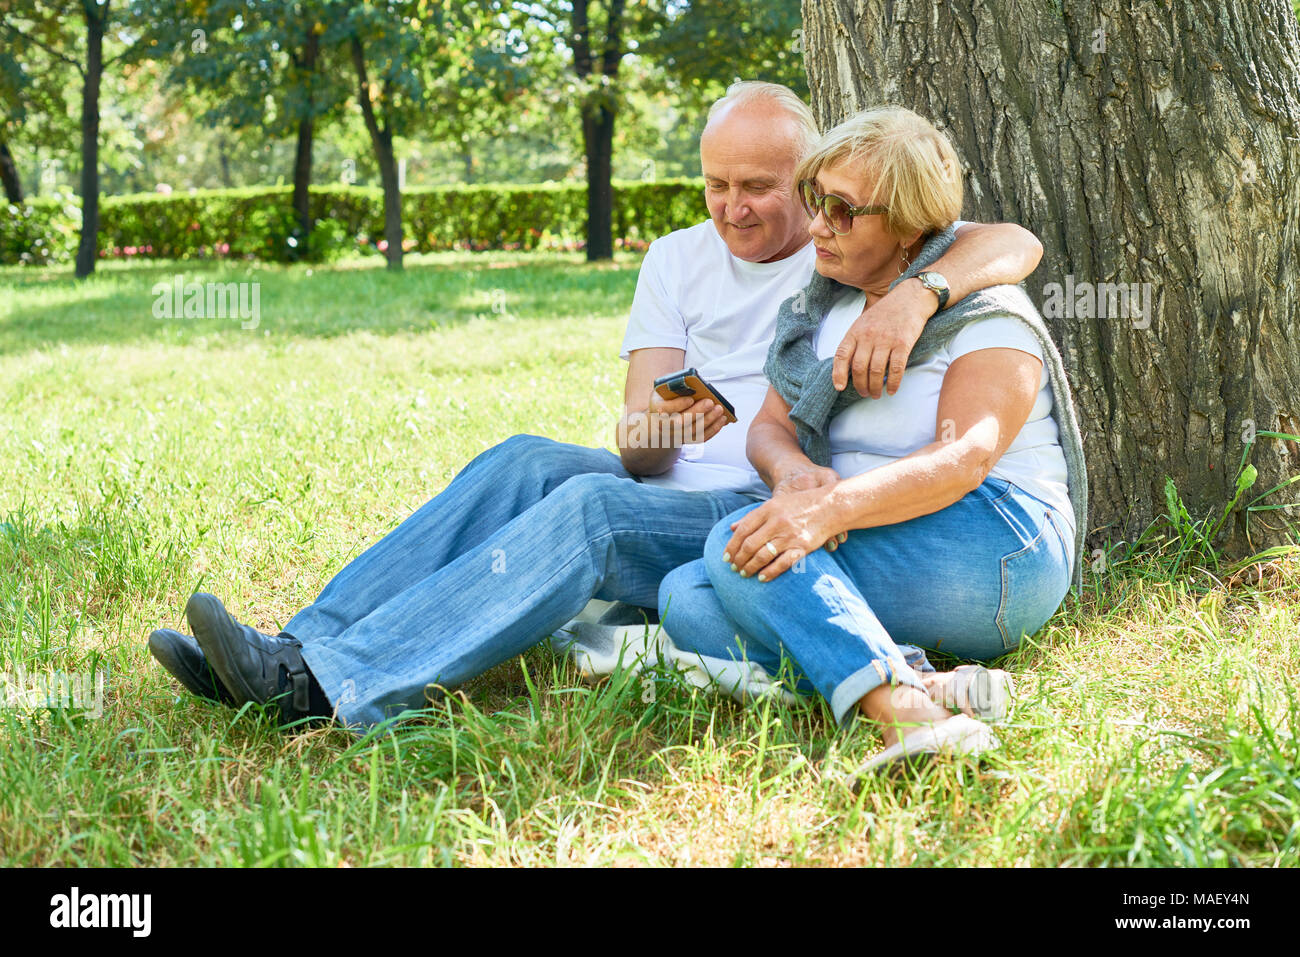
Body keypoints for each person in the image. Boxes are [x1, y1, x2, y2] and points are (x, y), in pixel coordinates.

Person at [147, 83, 1046, 730]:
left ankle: (330, 686)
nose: (746, 210)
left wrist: (919, 292)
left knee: (590, 512)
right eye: (717, 184)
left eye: (768, 188)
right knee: (525, 462)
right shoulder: (722, 265)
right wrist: (667, 428)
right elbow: (642, 444)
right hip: (715, 482)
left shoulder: (856, 265)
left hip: (765, 504)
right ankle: (295, 651)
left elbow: (1005, 243)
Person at [657, 106, 1087, 776]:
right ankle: (924, 683)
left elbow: (965, 458)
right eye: (813, 199)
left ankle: (909, 720)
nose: (817, 224)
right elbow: (768, 427)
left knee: (735, 548)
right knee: (687, 596)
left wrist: (831, 509)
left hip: (1002, 542)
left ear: (911, 221)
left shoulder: (987, 310)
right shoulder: (823, 301)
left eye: (842, 209)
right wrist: (797, 475)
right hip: (878, 518)